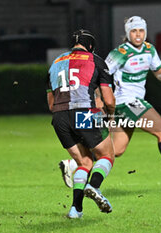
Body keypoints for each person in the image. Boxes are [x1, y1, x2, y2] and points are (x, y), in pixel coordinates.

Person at [59, 16, 161, 188]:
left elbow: (158, 71)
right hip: (127, 102)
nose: (138, 34)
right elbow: (99, 74)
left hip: (131, 104)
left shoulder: (150, 49)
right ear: (128, 34)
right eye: (134, 31)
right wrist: (98, 98)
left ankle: (73, 164)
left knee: (116, 150)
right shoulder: (120, 53)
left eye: (141, 30)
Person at [48, 29, 116, 219]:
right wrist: (110, 117)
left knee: (84, 162)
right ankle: (94, 186)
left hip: (60, 118)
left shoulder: (55, 63)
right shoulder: (96, 60)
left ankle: (75, 210)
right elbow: (109, 100)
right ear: (91, 46)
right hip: (85, 112)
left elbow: (51, 103)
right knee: (107, 155)